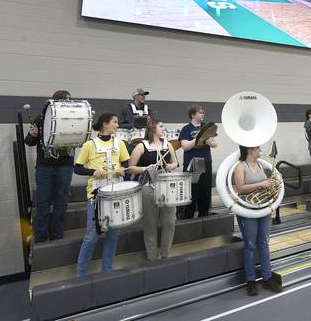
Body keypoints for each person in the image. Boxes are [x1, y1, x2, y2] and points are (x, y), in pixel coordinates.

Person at [74, 113, 129, 276]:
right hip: (96, 196)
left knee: (113, 234)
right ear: (105, 123)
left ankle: (107, 270)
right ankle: (81, 275)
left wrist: (122, 169)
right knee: (92, 236)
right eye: (115, 122)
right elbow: (77, 167)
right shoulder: (89, 145)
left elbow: (125, 162)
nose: (117, 125)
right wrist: (92, 171)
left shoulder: (120, 144)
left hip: (115, 193)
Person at [24, 90, 74, 243]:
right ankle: (40, 237)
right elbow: (29, 142)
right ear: (55, 101)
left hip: (65, 166)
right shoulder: (42, 118)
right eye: (64, 100)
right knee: (43, 202)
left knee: (61, 202)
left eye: (69, 100)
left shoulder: (72, 118)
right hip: (45, 166)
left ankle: (57, 235)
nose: (67, 102)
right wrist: (33, 134)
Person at [232, 145, 283, 296]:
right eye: (258, 149)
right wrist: (262, 184)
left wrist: (272, 193)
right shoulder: (240, 167)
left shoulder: (260, 164)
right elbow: (240, 188)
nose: (260, 151)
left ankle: (267, 278)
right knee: (249, 245)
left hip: (262, 209)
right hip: (247, 210)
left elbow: (264, 188)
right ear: (250, 151)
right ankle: (250, 281)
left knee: (264, 243)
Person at [127, 120, 179, 261]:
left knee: (170, 222)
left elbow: (175, 163)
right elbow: (130, 168)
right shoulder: (141, 146)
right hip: (148, 185)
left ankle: (165, 255)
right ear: (153, 128)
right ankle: (152, 258)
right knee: (150, 224)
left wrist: (170, 166)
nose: (164, 128)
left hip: (167, 186)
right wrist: (146, 168)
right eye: (161, 126)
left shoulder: (168, 145)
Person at [180, 105, 218, 218]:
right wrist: (198, 138)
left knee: (205, 192)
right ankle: (188, 218)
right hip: (192, 163)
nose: (203, 114)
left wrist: (207, 139)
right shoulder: (186, 128)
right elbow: (185, 146)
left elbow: (215, 144)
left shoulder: (206, 127)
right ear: (193, 114)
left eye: (203, 112)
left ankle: (204, 216)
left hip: (206, 162)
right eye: (200, 112)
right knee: (191, 192)